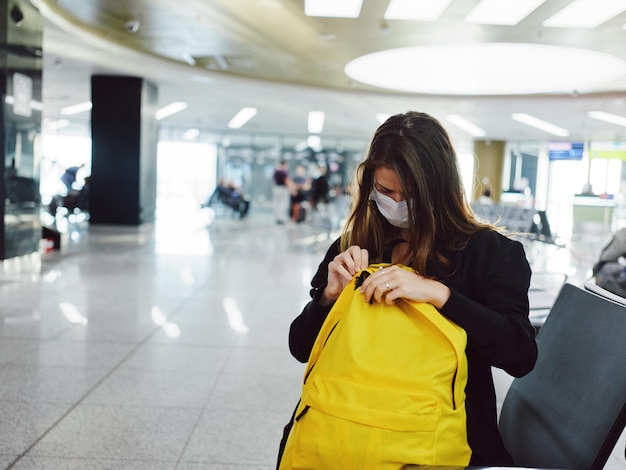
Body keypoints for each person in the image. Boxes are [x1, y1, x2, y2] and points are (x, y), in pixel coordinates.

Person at [279, 111, 538, 466]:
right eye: (385, 191)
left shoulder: (489, 254)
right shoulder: (354, 245)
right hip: (345, 430)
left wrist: (440, 295)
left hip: (443, 437)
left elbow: (520, 355)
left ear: (441, 189)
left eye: (411, 193)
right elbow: (301, 348)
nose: (397, 202)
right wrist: (328, 297)